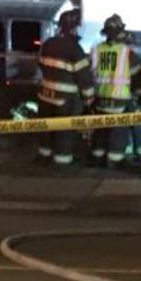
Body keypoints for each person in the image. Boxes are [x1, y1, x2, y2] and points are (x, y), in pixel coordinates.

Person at [36, 9, 95, 166]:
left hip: (45, 95)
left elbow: (41, 64)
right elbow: (84, 77)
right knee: (65, 129)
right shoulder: (75, 49)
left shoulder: (48, 44)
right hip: (66, 100)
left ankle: (44, 156)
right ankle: (62, 160)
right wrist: (89, 99)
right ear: (74, 28)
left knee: (46, 127)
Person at [90, 14, 141, 168]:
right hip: (119, 99)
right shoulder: (126, 52)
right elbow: (138, 78)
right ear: (119, 33)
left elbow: (91, 73)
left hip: (100, 98)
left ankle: (97, 157)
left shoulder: (96, 50)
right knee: (119, 131)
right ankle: (115, 160)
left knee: (101, 130)